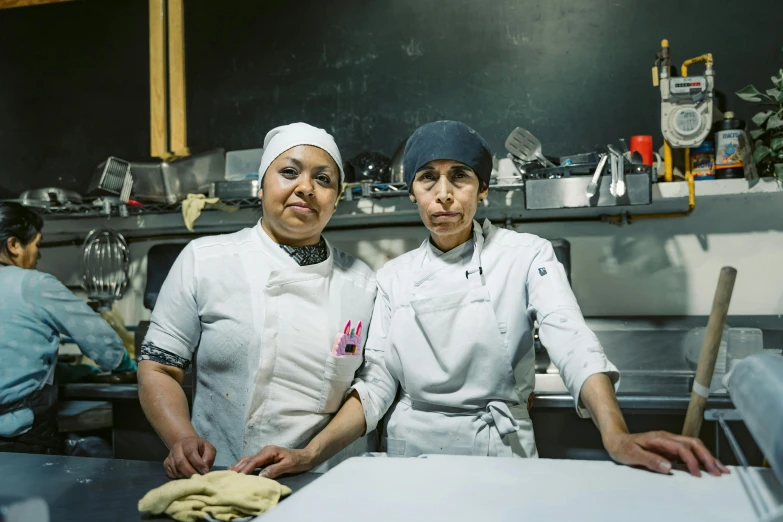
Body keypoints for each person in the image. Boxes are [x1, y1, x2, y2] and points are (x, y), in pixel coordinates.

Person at [233, 121, 729, 479]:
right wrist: (310, 454)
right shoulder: (394, 277)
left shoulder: (525, 256)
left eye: (459, 178)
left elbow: (571, 340)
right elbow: (377, 383)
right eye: (428, 178)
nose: (444, 194)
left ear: (482, 190)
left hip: (501, 454)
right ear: (412, 193)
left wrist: (615, 434)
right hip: (410, 461)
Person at [139, 123, 377, 479]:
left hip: (326, 481)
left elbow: (371, 388)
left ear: (337, 198)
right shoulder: (205, 261)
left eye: (324, 180)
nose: (306, 188)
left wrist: (309, 456)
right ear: (263, 184)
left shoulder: (362, 283)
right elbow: (158, 368)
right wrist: (182, 439)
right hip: (223, 474)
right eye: (289, 172)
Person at [0, 202, 134, 454]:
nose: (39, 255)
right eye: (37, 244)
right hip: (18, 437)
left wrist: (76, 372)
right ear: (14, 245)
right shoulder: (33, 284)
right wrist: (127, 366)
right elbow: (101, 341)